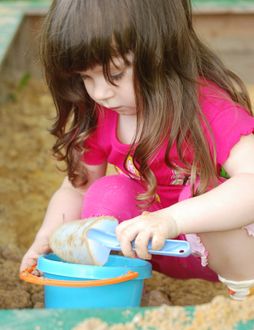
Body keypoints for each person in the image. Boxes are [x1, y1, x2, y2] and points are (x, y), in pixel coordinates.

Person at [20, 0, 254, 301]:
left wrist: (173, 219)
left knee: (204, 192)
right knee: (108, 192)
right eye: (85, 77)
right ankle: (113, 291)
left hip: (232, 249)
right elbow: (77, 189)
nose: (100, 92)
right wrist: (49, 235)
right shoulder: (101, 113)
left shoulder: (209, 109)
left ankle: (244, 298)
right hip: (154, 244)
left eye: (114, 74)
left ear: (160, 53)